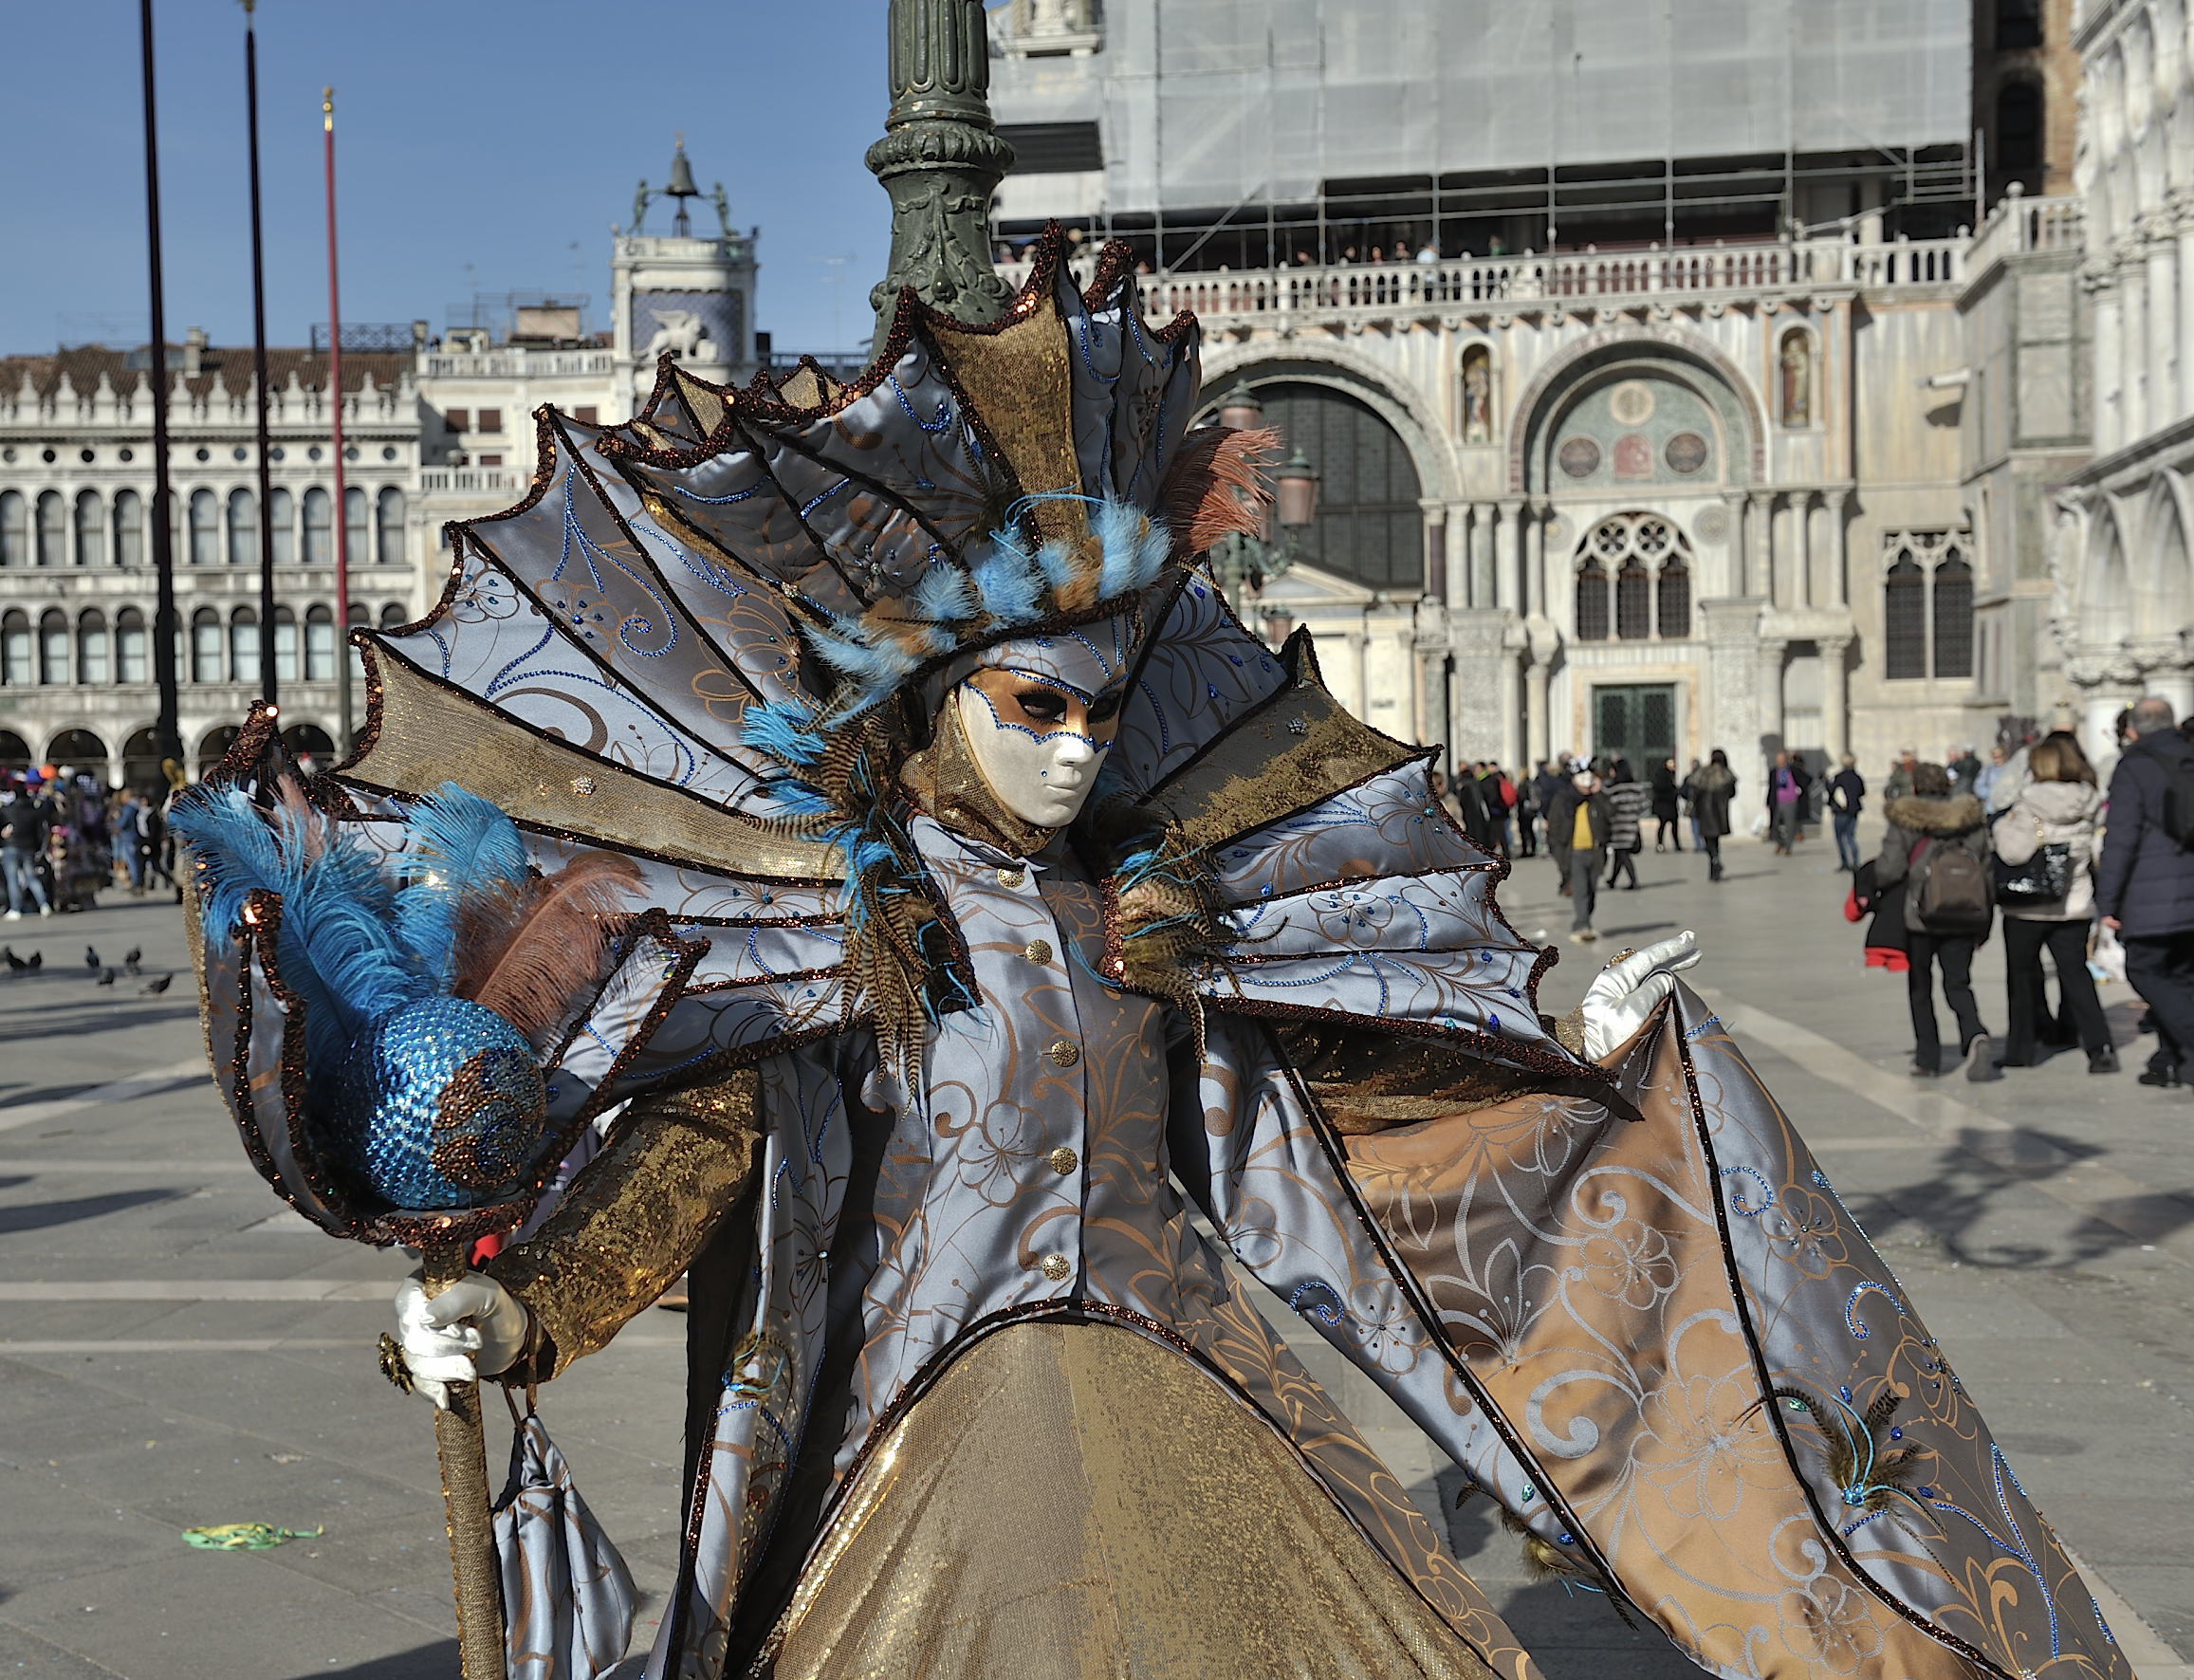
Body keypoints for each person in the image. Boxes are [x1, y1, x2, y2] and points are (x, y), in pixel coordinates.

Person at [165, 227, 2118, 1680]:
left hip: (1196, 1383)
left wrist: (1549, 1045)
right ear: (932, 704)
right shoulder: (837, 939)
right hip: (933, 1427)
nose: (1076, 746)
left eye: (1101, 717)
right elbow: (689, 1170)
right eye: (1035, 706)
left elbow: (1281, 1167)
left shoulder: (1138, 928)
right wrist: (517, 1315)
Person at [1994, 735, 2116, 1073]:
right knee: (2076, 976)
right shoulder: (2088, 801)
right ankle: (2100, 1047)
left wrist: (2003, 828)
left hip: (2027, 907)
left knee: (2021, 978)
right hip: (2074, 905)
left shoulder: (2028, 803)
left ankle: (2021, 1050)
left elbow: (2013, 852)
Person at [2095, 694, 2194, 1089]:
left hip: (2153, 896)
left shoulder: (2135, 766)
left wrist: (2108, 902)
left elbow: (2121, 839)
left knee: (2144, 968)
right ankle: (2171, 1061)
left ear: (2133, 730)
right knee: (2182, 976)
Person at [1875, 763, 1998, 1080]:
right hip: (1964, 913)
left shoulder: (1906, 819)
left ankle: (1927, 1059)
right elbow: (1986, 873)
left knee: (1920, 988)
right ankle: (1975, 1034)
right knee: (1958, 983)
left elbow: (1889, 869)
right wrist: (1984, 922)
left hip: (1920, 915)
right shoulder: (1971, 820)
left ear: (1915, 788)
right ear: (1948, 786)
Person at [1548, 767, 1610, 939]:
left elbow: (1610, 812)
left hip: (1595, 851)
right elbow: (1555, 827)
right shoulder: (1564, 800)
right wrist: (1559, 856)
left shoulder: (1596, 800)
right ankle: (1580, 926)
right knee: (1580, 890)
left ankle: (1585, 922)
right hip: (1574, 853)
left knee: (1591, 892)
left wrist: (1599, 792)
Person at [0, 777, 51, 920]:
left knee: (12, 879)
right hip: (29, 847)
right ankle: (44, 905)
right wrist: (38, 848)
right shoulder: (33, 811)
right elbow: (39, 831)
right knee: (31, 877)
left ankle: (16, 909)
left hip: (10, 846)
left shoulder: (6, 810)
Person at [1686, 749, 1737, 880]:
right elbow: (1732, 794)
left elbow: (1694, 790)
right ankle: (1714, 869)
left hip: (1705, 811)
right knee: (1715, 841)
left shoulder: (1703, 773)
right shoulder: (1726, 775)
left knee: (1708, 840)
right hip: (1719, 812)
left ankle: (1714, 863)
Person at [1603, 757, 1648, 889]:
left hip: (1618, 825)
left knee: (1623, 853)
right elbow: (1644, 804)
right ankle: (1613, 880)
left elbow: (1607, 805)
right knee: (1620, 853)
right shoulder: (1636, 787)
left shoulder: (1614, 788)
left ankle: (1634, 881)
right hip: (1632, 824)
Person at [1826, 751, 1866, 872]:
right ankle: (1855, 862)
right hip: (1854, 811)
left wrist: (1826, 782)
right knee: (1850, 836)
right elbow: (1862, 792)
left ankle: (1844, 862)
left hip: (1841, 812)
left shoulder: (1839, 777)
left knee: (1840, 837)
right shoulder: (1857, 777)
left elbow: (1831, 790)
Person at [1766, 749, 1805, 855]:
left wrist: (1799, 789)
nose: (1780, 762)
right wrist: (1768, 801)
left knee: (1789, 825)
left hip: (1790, 801)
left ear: (1786, 760)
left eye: (1782, 760)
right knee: (1774, 826)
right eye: (1778, 760)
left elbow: (1806, 779)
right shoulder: (1773, 772)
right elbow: (1771, 787)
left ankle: (1788, 846)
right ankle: (1780, 842)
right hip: (1777, 801)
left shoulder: (1792, 770)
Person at [1649, 756, 1680, 852]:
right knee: (1665, 825)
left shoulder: (1667, 775)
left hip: (1667, 805)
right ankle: (1662, 844)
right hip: (1665, 805)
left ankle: (1664, 844)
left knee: (1667, 825)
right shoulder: (1663, 776)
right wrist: (1674, 792)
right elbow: (1663, 789)